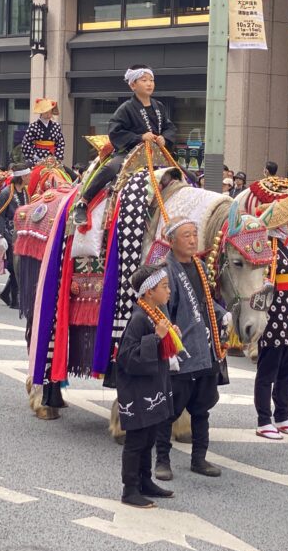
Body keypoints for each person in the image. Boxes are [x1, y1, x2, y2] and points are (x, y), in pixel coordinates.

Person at [153, 218, 230, 481]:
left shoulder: (199, 266)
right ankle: (162, 460)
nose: (192, 240)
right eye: (186, 235)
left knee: (202, 407)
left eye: (194, 234)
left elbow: (207, 302)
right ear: (172, 241)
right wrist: (168, 347)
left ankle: (199, 458)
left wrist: (223, 314)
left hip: (205, 348)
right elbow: (161, 310)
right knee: (170, 409)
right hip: (181, 350)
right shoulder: (166, 270)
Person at [73, 65, 177, 225]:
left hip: (156, 153)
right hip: (131, 152)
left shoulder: (159, 107)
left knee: (185, 174)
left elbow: (169, 127)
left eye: (151, 80)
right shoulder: (126, 108)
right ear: (133, 85)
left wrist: (165, 137)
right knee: (111, 168)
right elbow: (115, 131)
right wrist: (140, 137)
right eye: (144, 80)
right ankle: (83, 201)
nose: (149, 83)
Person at [117, 262, 177, 509]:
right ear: (149, 292)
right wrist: (157, 338)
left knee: (149, 436)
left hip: (152, 388)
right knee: (136, 441)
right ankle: (129, 489)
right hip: (138, 391)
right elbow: (126, 357)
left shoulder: (156, 314)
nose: (169, 290)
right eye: (164, 286)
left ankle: (145, 480)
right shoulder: (139, 318)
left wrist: (171, 336)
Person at [254, 193, 288, 439]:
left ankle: (282, 415)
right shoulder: (269, 246)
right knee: (268, 370)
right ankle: (264, 419)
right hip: (274, 317)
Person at [0, 164, 30, 309]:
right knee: (13, 266)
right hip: (9, 233)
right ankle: (14, 298)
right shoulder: (6, 193)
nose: (30, 178)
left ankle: (7, 294)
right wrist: (1, 236)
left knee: (20, 266)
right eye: (28, 175)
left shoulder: (25, 192)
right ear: (22, 176)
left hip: (22, 233)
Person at [22, 99, 65, 166]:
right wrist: (35, 157)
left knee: (66, 173)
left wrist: (57, 157)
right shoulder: (33, 126)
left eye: (50, 112)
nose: (49, 114)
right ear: (41, 113)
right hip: (37, 157)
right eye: (46, 112)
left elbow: (60, 143)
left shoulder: (56, 126)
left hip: (52, 157)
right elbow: (26, 143)